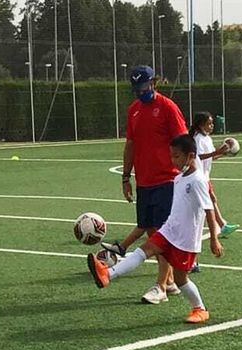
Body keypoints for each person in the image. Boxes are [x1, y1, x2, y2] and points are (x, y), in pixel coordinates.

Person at [89, 133, 222, 324]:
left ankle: (199, 308)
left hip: (185, 239)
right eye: (171, 156)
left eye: (177, 156)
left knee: (180, 279)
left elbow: (208, 209)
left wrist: (214, 239)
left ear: (191, 156)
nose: (173, 160)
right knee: (143, 251)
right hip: (169, 231)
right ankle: (107, 274)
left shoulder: (198, 180)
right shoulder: (179, 178)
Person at [105, 65, 188, 305]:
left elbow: (183, 142)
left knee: (161, 235)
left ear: (153, 83)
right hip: (144, 182)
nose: (140, 93)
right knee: (151, 230)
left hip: (167, 180)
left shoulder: (168, 107)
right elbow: (130, 144)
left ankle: (161, 286)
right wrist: (125, 177)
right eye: (136, 89)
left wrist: (184, 174)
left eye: (143, 87)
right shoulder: (134, 111)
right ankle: (170, 282)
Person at [190, 111, 238, 245]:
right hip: (198, 176)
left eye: (212, 123)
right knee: (207, 202)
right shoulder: (198, 139)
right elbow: (198, 157)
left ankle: (222, 225)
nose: (211, 126)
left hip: (205, 176)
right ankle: (222, 225)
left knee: (210, 201)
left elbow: (210, 156)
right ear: (200, 125)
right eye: (208, 124)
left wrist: (223, 154)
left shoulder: (207, 138)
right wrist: (217, 152)